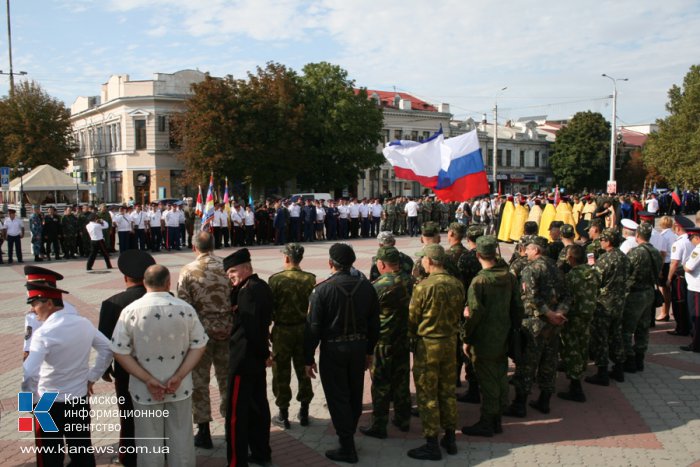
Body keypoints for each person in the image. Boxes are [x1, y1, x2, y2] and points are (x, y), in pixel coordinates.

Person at [111, 265, 207, 467]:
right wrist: (179, 375)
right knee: (181, 439)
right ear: (168, 282)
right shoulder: (185, 309)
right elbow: (199, 344)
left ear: (144, 283)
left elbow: (119, 350)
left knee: (149, 443)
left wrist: (148, 379)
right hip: (179, 386)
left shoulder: (130, 311)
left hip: (144, 389)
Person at [22, 281, 112, 467]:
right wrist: (91, 378)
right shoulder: (83, 323)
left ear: (49, 303)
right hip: (78, 397)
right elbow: (108, 350)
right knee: (81, 449)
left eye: (35, 303)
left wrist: (28, 403)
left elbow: (29, 373)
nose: (32, 309)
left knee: (51, 452)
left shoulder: (44, 333)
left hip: (47, 403)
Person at [304, 243, 380, 463]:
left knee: (338, 396)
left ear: (330, 263)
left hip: (334, 349)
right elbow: (374, 324)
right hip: (358, 348)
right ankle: (348, 435)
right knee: (354, 392)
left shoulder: (322, 289)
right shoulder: (366, 287)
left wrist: (307, 358)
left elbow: (313, 327)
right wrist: (369, 351)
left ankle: (347, 445)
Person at [97, 250, 156, 467]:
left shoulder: (112, 303)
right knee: (157, 414)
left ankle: (129, 457)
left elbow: (105, 343)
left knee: (128, 414)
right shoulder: (163, 300)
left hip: (126, 370)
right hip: (159, 368)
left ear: (125, 277)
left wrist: (103, 370)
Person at [461, 236, 523, 437]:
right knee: (500, 376)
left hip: (484, 339)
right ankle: (497, 418)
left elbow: (475, 313)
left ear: (478, 254)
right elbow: (517, 307)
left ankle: (488, 422)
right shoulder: (509, 276)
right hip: (503, 335)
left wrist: (466, 337)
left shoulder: (479, 281)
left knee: (487, 381)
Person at [407, 244, 464, 460]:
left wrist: (412, 335)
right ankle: (450, 438)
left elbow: (413, 318)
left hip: (429, 345)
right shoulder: (456, 284)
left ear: (429, 261)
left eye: (423, 259)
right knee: (447, 390)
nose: (421, 262)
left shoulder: (423, 287)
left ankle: (431, 443)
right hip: (450, 343)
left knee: (427, 393)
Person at [176, 231, 232, 449]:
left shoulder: (188, 271)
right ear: (214, 246)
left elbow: (184, 307)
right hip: (228, 330)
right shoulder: (228, 266)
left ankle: (204, 431)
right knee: (227, 378)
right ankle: (231, 426)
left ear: (194, 248)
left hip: (200, 336)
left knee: (199, 382)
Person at [505, 236, 568, 418]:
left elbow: (532, 298)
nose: (525, 252)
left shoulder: (531, 269)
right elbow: (567, 295)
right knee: (549, 361)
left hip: (535, 324)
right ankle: (544, 400)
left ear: (536, 251)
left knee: (527, 364)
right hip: (554, 324)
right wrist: (559, 314)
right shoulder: (556, 268)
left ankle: (519, 404)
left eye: (528, 249)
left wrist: (548, 314)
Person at [223, 248, 273, 466]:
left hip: (243, 361)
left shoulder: (247, 291)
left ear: (246, 268)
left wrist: (264, 354)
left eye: (233, 271)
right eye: (228, 274)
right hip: (255, 360)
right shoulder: (260, 286)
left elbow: (252, 329)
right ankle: (261, 453)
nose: (231, 276)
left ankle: (236, 461)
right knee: (258, 408)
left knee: (235, 415)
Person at [360, 246, 413, 439]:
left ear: (381, 264)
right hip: (403, 339)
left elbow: (367, 314)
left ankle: (379, 425)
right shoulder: (411, 280)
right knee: (402, 380)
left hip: (383, 342)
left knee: (381, 385)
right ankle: (403, 419)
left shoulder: (379, 285)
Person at [268, 243, 317, 429]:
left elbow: (269, 310)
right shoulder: (310, 279)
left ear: (287, 258)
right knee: (303, 369)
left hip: (282, 331)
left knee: (281, 372)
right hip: (303, 330)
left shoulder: (276, 280)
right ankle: (304, 411)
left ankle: (283, 414)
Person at [586, 229, 630, 386]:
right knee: (616, 335)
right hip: (619, 302)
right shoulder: (624, 257)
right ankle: (618, 368)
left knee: (601, 337)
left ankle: (602, 372)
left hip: (604, 304)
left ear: (608, 241)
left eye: (603, 239)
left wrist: (591, 269)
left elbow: (595, 280)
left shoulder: (605, 259)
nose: (601, 242)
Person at [557, 245, 600, 403]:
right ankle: (579, 374)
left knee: (572, 349)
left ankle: (576, 387)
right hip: (588, 315)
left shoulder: (571, 276)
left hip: (574, 317)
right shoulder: (594, 272)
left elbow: (566, 296)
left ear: (571, 258)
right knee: (583, 345)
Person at [622, 222, 662, 372]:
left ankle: (629, 360)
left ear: (637, 235)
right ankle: (640, 358)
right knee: (643, 328)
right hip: (649, 292)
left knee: (626, 329)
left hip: (635, 294)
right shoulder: (655, 252)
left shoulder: (636, 252)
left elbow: (626, 271)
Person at [667, 216, 695, 337]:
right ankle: (688, 326)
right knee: (687, 302)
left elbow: (674, 263)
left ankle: (681, 328)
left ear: (678, 228)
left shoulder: (679, 243)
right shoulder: (691, 239)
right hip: (689, 275)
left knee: (678, 301)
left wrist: (669, 278)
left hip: (679, 275)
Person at [682, 227, 700, 353]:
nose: (690, 240)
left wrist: (683, 265)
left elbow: (688, 268)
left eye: (691, 238)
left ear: (697, 238)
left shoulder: (698, 250)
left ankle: (696, 344)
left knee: (696, 317)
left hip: (695, 288)